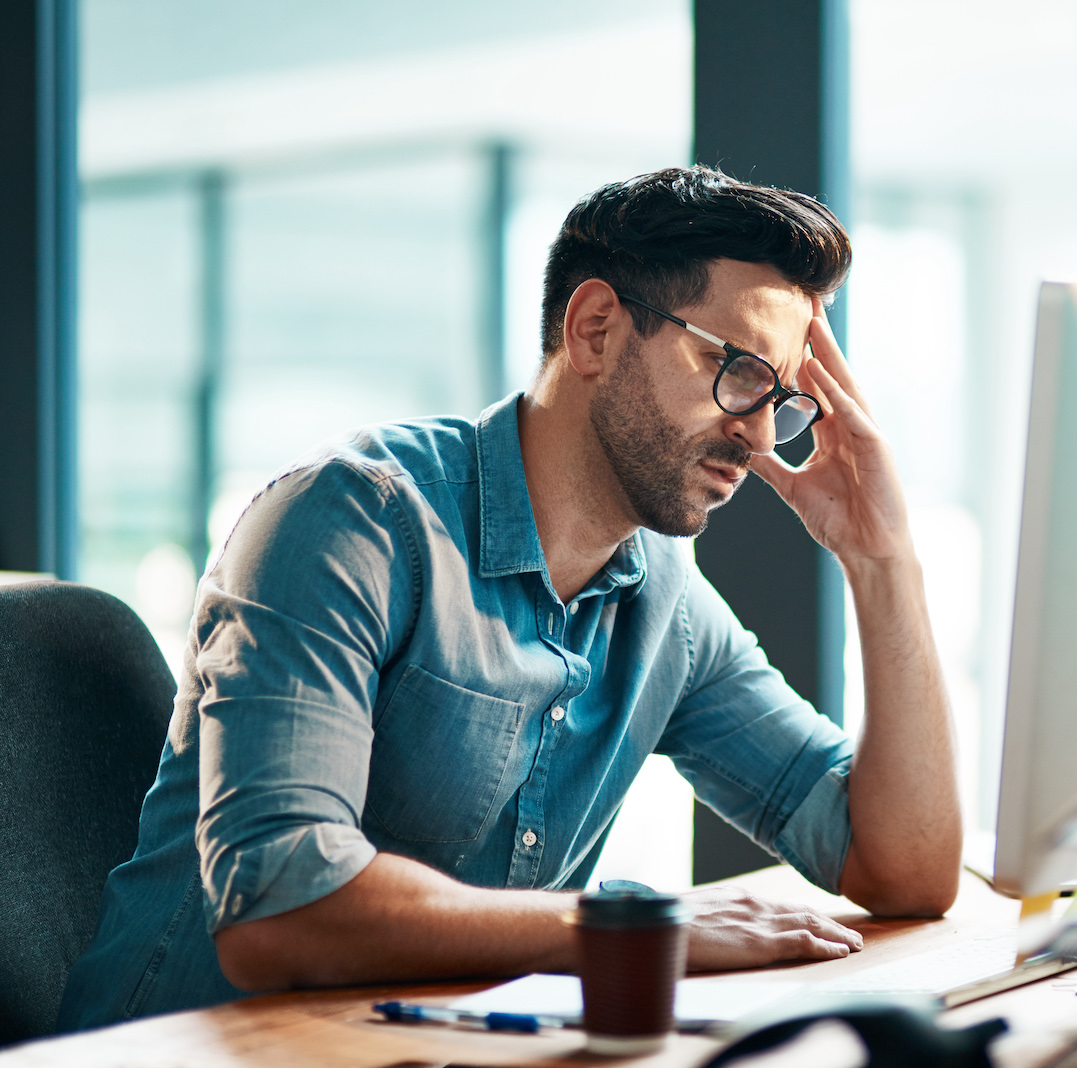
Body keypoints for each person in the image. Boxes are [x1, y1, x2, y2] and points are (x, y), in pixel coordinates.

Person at [59, 166, 961, 1030]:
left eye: (781, 399)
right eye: (738, 374)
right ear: (598, 327)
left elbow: (901, 867)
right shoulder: (351, 523)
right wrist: (640, 933)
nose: (762, 436)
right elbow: (281, 903)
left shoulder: (664, 604)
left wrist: (882, 558)